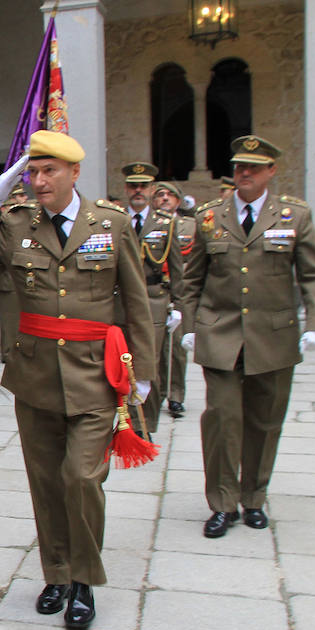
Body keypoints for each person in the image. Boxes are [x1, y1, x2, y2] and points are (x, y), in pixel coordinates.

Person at [0, 130, 155, 630]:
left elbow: (136, 300)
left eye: (49, 171)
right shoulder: (17, 223)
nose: (39, 182)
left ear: (74, 173)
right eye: (32, 172)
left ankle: (84, 579)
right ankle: (57, 573)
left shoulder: (109, 223)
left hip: (95, 375)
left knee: (81, 478)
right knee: (46, 481)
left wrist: (144, 373)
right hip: (35, 373)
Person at [176, 135, 315, 538]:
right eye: (239, 166)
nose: (244, 173)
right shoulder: (211, 215)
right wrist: (190, 325)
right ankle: (223, 503)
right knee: (222, 420)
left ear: (271, 171)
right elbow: (192, 279)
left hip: (273, 335)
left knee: (265, 422)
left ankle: (254, 498)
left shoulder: (293, 215)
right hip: (221, 333)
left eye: (254, 167)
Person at [121, 162, 184, 437]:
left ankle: (146, 426)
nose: (138, 190)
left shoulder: (165, 223)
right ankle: (124, 423)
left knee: (151, 364)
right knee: (121, 363)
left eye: (143, 186)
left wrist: (179, 307)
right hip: (120, 301)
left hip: (153, 301)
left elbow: (178, 268)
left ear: (151, 189)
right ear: (126, 189)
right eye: (133, 185)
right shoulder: (113, 219)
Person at [154, 182, 194, 418]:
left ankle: (176, 396)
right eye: (160, 195)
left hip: (180, 290)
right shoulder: (149, 224)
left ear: (178, 201)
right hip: (156, 290)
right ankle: (156, 394)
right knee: (155, 348)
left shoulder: (191, 225)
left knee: (178, 348)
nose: (165, 198)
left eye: (170, 195)